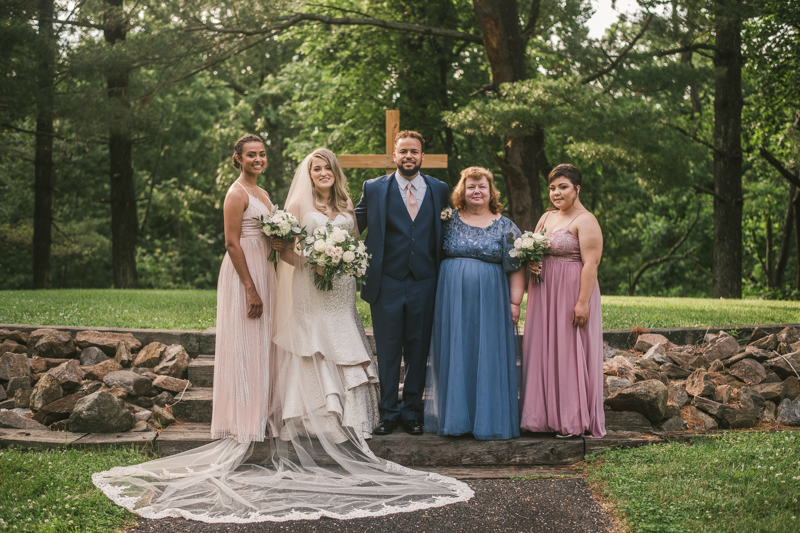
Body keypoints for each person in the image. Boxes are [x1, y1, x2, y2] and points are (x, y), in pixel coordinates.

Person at [92, 145, 473, 523]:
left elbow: (358, 243)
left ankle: (358, 415)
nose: (322, 172)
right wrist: (313, 260)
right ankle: (317, 416)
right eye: (316, 168)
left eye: (328, 167)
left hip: (340, 291)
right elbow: (286, 251)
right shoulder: (295, 205)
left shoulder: (345, 205)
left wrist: (346, 259)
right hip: (311, 284)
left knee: (346, 341)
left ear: (335, 172)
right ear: (308, 173)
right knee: (315, 345)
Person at [354, 131, 449, 436]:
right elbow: (352, 224)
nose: (409, 156)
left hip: (425, 280)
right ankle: (388, 413)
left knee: (418, 350)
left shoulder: (439, 189)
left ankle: (412, 412)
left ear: (422, 156)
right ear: (393, 156)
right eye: (403, 151)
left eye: (415, 151)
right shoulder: (373, 188)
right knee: (388, 349)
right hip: (387, 281)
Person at [424, 167, 525, 440]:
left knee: (487, 353)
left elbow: (516, 267)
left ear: (491, 192)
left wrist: (515, 302)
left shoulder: (506, 226)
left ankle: (487, 419)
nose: (477, 191)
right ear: (462, 191)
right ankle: (457, 418)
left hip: (491, 300)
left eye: (482, 187)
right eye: (471, 187)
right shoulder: (447, 220)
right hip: (451, 300)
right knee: (456, 351)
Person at [519, 164, 606, 439]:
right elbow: (535, 249)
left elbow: (591, 264)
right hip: (543, 293)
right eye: (553, 188)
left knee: (567, 351)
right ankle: (540, 418)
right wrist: (532, 261)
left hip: (571, 292)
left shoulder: (586, 220)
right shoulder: (546, 217)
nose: (556, 193)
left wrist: (582, 303)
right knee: (542, 348)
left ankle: (570, 419)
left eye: (563, 187)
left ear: (577, 189)